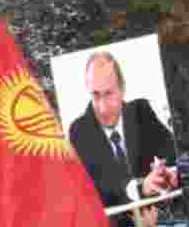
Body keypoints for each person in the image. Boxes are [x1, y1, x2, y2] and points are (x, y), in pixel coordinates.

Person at [68, 52, 178, 207]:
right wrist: (141, 188)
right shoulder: (79, 131)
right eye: (95, 95)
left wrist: (169, 173)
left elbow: (174, 154)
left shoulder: (142, 111)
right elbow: (95, 190)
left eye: (109, 93)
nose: (103, 108)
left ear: (122, 89)